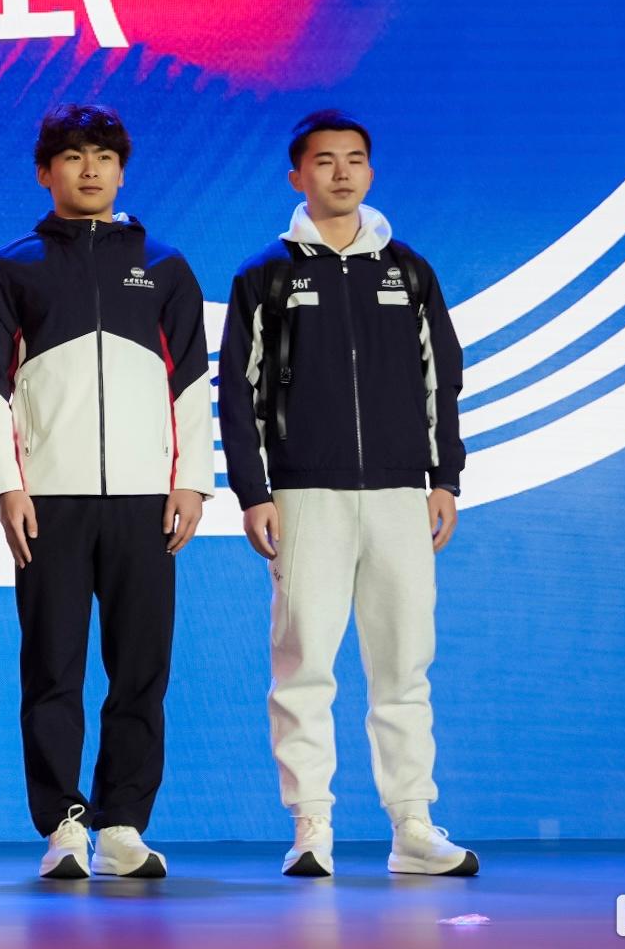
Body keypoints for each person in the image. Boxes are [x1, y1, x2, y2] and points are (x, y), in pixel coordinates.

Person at [220, 109, 476, 878]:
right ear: (297, 175)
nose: (341, 172)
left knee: (404, 664)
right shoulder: (266, 275)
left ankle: (413, 826)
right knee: (304, 663)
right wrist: (254, 491)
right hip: (305, 494)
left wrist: (444, 478)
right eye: (325, 160)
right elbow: (237, 394)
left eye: (355, 159)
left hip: (400, 494)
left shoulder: (409, 271)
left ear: (371, 170)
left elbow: (442, 381)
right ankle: (311, 827)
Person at [0, 105, 211, 880]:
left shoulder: (166, 267)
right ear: (46, 172)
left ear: (123, 170)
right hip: (51, 501)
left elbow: (191, 384)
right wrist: (7, 486)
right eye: (73, 156)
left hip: (146, 501)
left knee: (141, 670)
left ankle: (123, 825)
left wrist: (192, 482)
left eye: (104, 156)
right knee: (52, 668)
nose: (91, 169)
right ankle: (63, 827)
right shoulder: (13, 269)